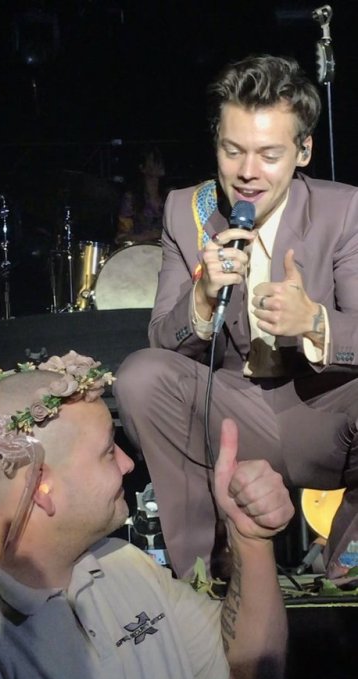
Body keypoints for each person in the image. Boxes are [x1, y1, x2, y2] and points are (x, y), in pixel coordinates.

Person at [0, 351, 293, 679]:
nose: (127, 463)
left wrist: (251, 538)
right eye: (109, 451)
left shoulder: (123, 564)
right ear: (41, 489)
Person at [114, 54, 358, 582]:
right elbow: (161, 340)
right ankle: (201, 571)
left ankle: (349, 557)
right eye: (233, 150)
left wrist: (316, 322)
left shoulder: (344, 211)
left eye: (269, 154)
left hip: (323, 410)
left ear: (303, 151)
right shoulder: (189, 211)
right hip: (234, 411)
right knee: (140, 374)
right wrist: (201, 299)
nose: (247, 173)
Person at [115, 145, 166, 245]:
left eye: (160, 159)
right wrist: (148, 236)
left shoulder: (169, 196)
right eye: (154, 160)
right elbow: (121, 237)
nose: (159, 163)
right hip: (141, 254)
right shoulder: (132, 199)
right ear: (142, 168)